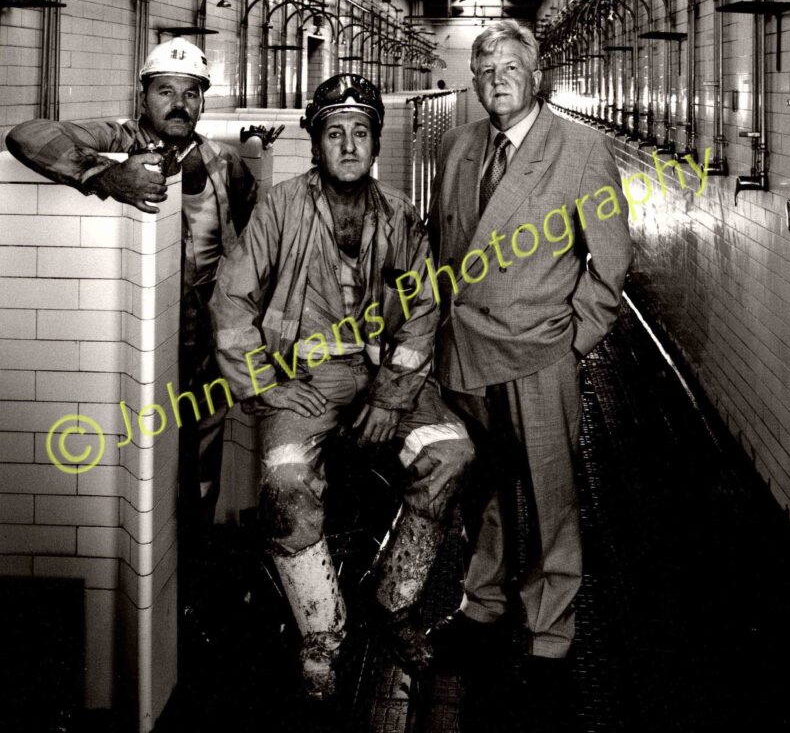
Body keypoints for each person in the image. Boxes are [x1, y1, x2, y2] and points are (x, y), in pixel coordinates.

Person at [208, 73, 473, 702]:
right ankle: (322, 636)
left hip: (386, 375)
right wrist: (267, 386)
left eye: (360, 132)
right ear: (316, 143)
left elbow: (423, 310)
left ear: (376, 142)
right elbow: (231, 300)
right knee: (286, 482)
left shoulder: (400, 214)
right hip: (305, 380)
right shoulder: (281, 208)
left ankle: (395, 601)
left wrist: (390, 395)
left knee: (452, 453)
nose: (349, 145)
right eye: (335, 133)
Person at [425, 20, 632, 724]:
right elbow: (443, 245)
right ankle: (481, 607)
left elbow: (608, 261)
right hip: (468, 351)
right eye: (483, 71)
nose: (495, 80)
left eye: (508, 67)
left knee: (549, 497)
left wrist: (575, 341)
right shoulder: (457, 146)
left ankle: (550, 636)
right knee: (479, 492)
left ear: (534, 74)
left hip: (538, 351)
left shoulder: (578, 149)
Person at [5, 37, 257, 532]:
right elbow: (26, 135)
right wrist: (103, 175)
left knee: (203, 454)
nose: (179, 104)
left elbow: (252, 244)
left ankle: (196, 557)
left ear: (203, 99)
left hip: (208, 338)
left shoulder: (225, 164)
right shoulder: (116, 139)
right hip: (144, 340)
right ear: (142, 95)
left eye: (191, 93)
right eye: (166, 90)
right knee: (148, 456)